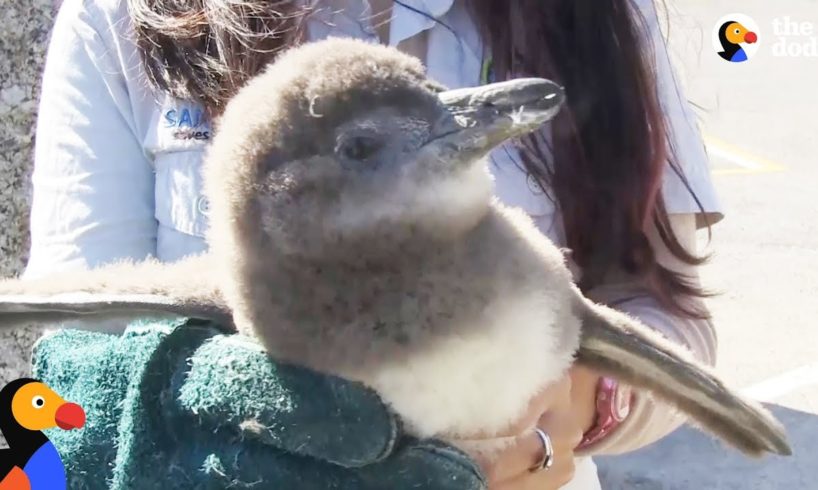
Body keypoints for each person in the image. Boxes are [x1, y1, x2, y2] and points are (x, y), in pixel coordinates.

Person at [26, 0, 723, 488]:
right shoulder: (124, 20)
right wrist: (203, 431)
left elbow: (672, 319)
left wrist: (581, 400)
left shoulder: (593, 16)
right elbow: (75, 362)